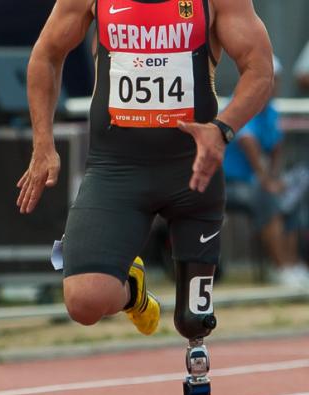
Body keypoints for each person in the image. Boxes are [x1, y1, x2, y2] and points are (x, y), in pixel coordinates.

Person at [18, 0, 272, 345]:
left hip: (192, 170)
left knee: (193, 321)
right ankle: (133, 291)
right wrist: (43, 145)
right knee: (84, 302)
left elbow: (259, 70)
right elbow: (45, 55)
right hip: (116, 170)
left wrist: (221, 129)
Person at [225, 57, 309, 287]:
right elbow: (247, 140)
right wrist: (266, 179)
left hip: (252, 181)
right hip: (226, 184)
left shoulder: (269, 109)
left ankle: (292, 266)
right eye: (271, 79)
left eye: (276, 80)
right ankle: (280, 267)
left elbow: (277, 144)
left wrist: (274, 177)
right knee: (267, 198)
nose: (274, 85)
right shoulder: (242, 102)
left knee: (288, 200)